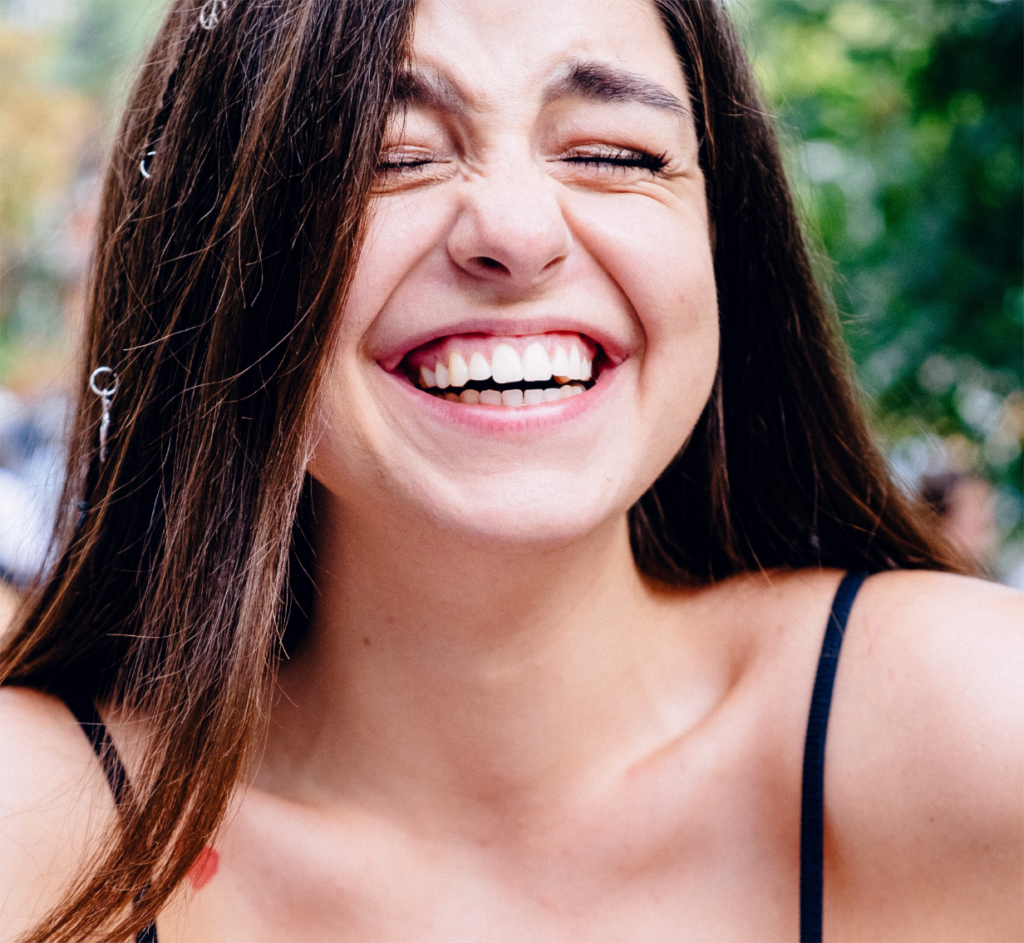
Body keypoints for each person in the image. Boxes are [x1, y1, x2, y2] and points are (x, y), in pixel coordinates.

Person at [1, 0, 1023, 940]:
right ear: (219, 257)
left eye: (616, 152)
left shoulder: (968, 728)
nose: (515, 235)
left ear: (723, 237)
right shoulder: (38, 825)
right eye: (388, 155)